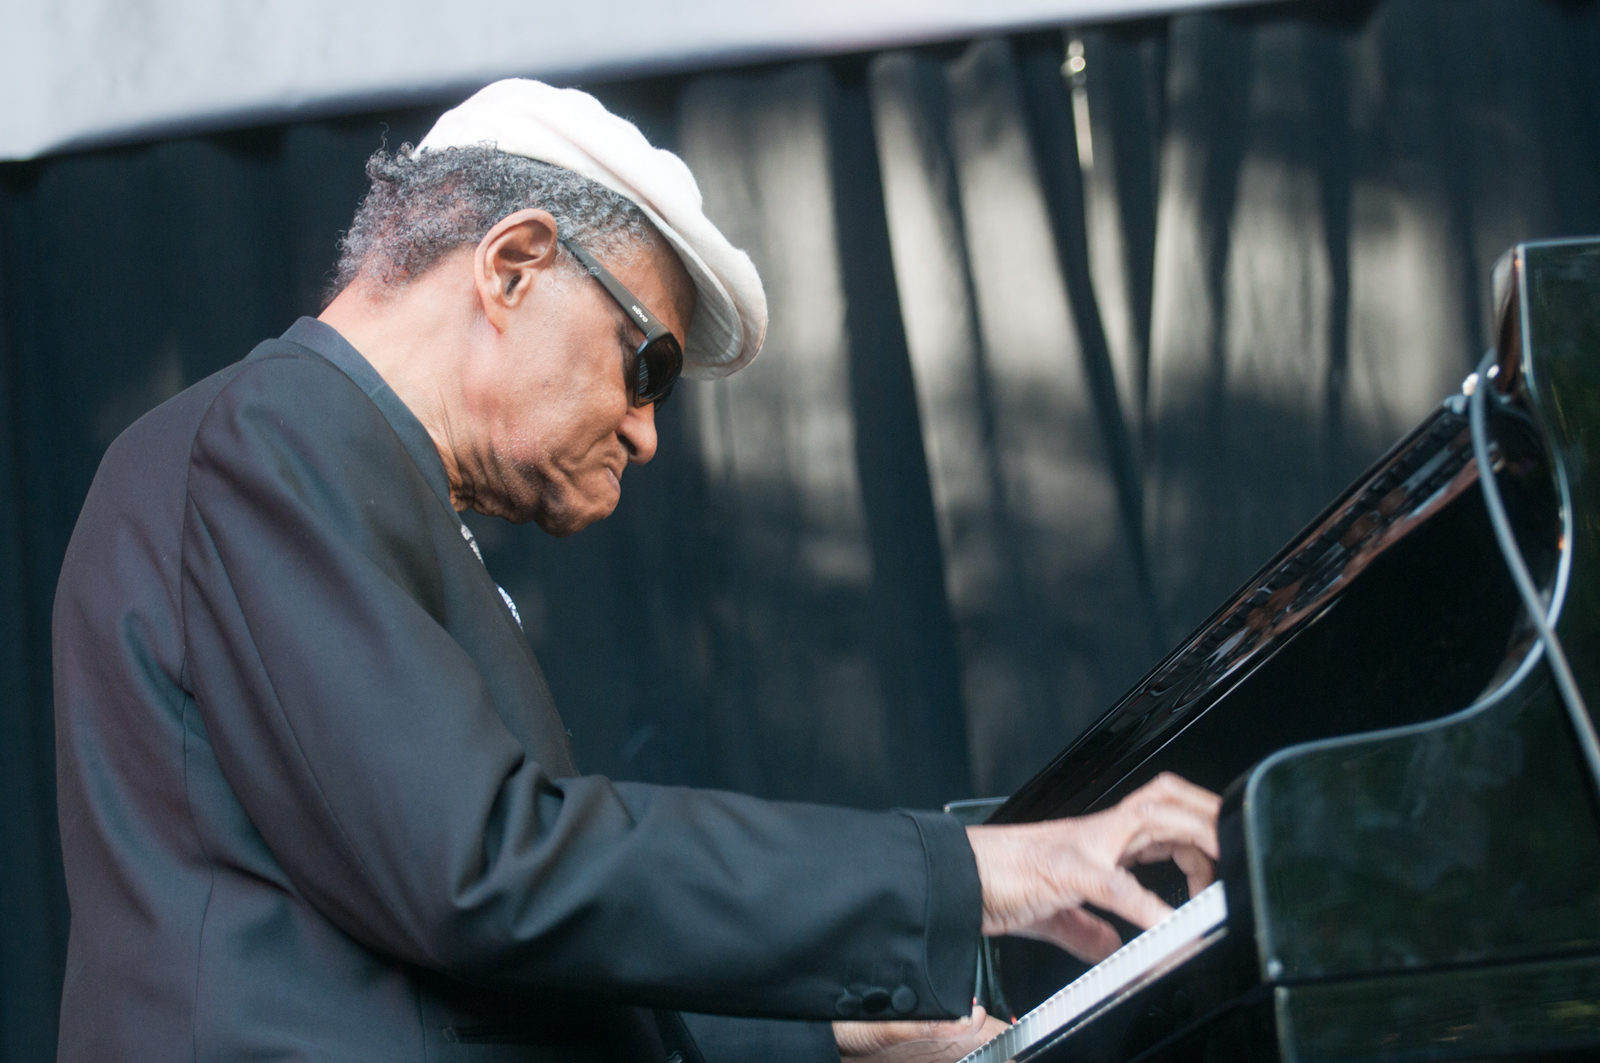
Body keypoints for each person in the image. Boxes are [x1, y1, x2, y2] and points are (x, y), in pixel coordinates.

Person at [52, 79, 1221, 1063]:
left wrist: (826, 1036)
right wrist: (968, 874)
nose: (648, 431)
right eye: (645, 362)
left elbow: (469, 957)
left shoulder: (338, 469)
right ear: (513, 265)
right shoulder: (275, 434)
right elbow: (486, 876)